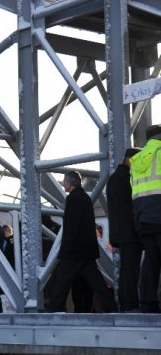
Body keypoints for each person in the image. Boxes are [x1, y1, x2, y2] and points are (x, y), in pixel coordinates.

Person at [47, 171, 117, 312]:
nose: (64, 184)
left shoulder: (73, 199)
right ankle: (111, 306)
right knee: (96, 281)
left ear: (69, 183)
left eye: (65, 182)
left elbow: (71, 227)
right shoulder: (84, 197)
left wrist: (65, 249)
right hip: (87, 249)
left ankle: (54, 309)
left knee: (62, 280)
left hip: (74, 250)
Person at [130, 124, 161, 313]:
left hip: (143, 217)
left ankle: (148, 303)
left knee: (151, 260)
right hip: (159, 213)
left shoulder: (136, 159)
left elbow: (134, 191)